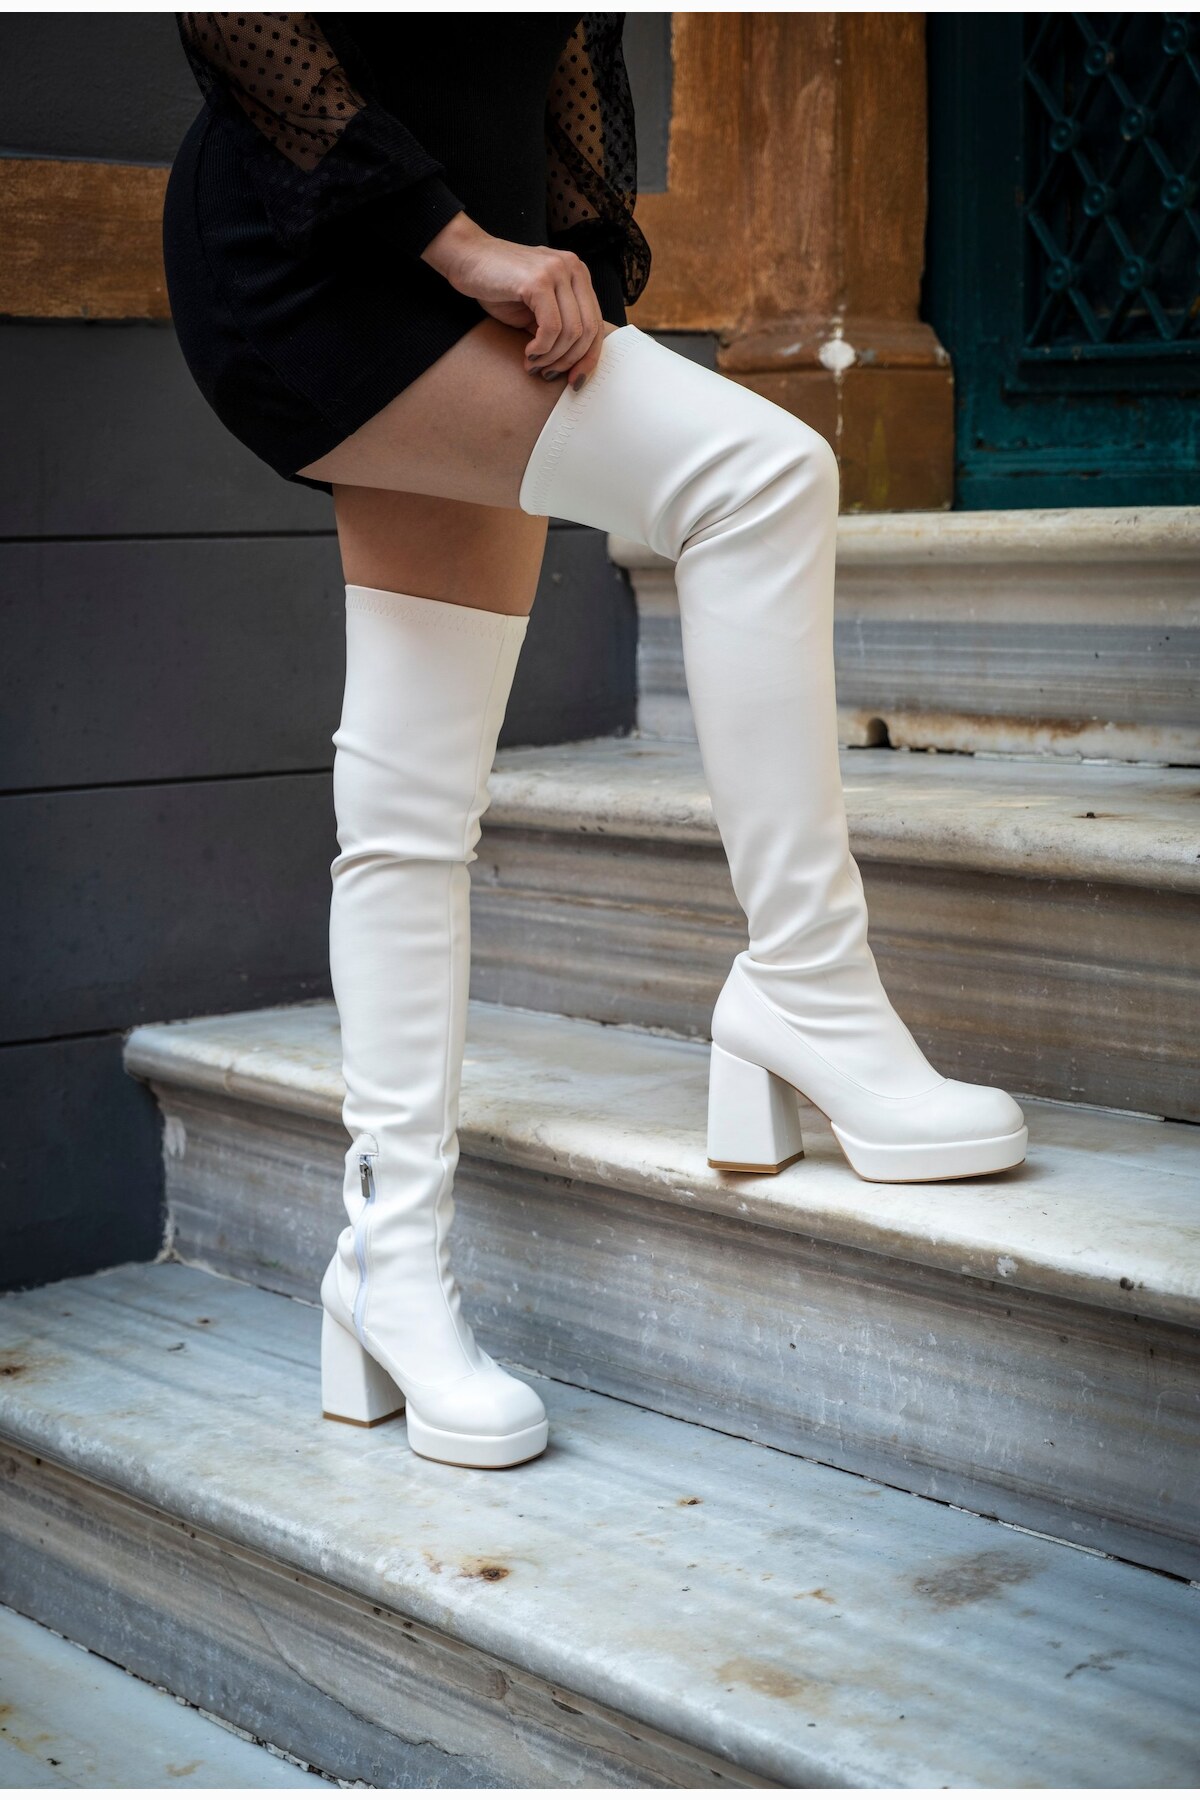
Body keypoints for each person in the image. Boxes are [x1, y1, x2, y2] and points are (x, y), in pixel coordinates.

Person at [163, 12, 1027, 1474]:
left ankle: (387, 1264)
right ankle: (806, 988)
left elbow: (566, 73)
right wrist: (463, 249)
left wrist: (565, 266)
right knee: (764, 476)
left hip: (493, 265)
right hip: (326, 258)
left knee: (414, 793)